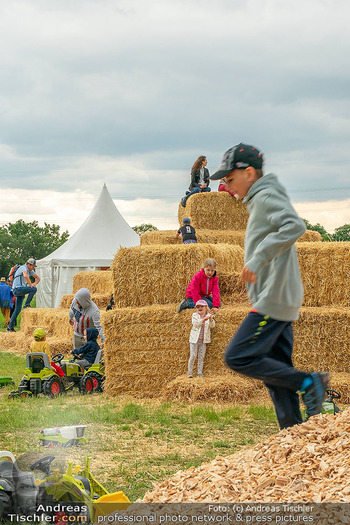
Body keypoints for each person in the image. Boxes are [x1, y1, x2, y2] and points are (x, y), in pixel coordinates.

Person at [209, 142, 329, 428]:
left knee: (238, 356)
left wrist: (258, 259)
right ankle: (294, 434)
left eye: (229, 179)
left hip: (274, 298)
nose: (227, 186)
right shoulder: (260, 199)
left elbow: (294, 226)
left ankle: (310, 382)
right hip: (274, 294)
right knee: (276, 376)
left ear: (249, 172)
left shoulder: (264, 197)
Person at [6, 258, 40, 332]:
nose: (33, 268)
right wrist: (31, 285)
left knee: (17, 310)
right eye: (33, 266)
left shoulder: (30, 270)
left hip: (19, 290)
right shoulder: (23, 267)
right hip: (17, 289)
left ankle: (10, 328)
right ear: (28, 264)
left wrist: (34, 283)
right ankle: (27, 305)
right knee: (33, 289)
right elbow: (25, 276)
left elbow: (38, 278)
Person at [187, 299, 215, 378]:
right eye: (198, 306)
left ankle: (199, 373)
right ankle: (190, 372)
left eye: (202, 306)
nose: (200, 308)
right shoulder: (195, 316)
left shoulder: (209, 316)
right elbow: (195, 324)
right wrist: (203, 319)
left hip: (203, 340)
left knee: (201, 357)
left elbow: (212, 326)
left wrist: (210, 319)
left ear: (206, 307)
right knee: (193, 356)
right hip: (194, 340)